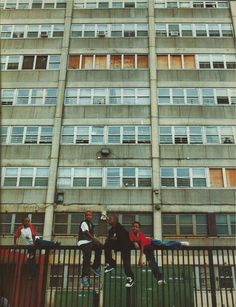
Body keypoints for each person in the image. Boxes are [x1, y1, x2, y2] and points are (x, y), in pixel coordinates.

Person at [129, 221, 189, 285]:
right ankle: (160, 279)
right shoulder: (130, 233)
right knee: (151, 263)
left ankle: (179, 243)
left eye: (137, 227)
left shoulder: (140, 234)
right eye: (134, 226)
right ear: (132, 227)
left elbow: (142, 247)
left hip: (152, 243)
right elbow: (133, 240)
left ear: (139, 229)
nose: (135, 228)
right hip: (148, 248)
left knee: (164, 244)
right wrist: (134, 242)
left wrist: (140, 260)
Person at [104, 215, 135, 288]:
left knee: (126, 264)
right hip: (119, 245)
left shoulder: (120, 228)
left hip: (125, 246)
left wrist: (112, 239)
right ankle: (111, 264)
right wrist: (109, 239)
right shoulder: (111, 230)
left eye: (110, 219)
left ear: (115, 220)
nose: (108, 220)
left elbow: (121, 238)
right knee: (107, 245)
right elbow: (111, 239)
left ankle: (130, 278)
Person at [78, 210, 103, 287]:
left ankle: (95, 266)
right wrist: (94, 239)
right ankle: (84, 277)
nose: (89, 216)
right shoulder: (84, 223)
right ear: (85, 216)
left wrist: (97, 241)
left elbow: (91, 234)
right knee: (87, 258)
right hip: (83, 242)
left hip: (89, 242)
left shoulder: (90, 224)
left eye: (90, 215)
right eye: (87, 215)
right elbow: (86, 232)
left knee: (99, 247)